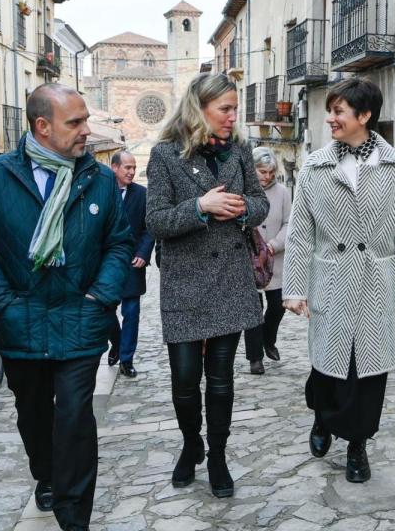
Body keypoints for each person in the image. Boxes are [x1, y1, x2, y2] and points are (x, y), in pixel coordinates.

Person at [0, 83, 133, 531]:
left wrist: (99, 297)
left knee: (75, 416)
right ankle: (46, 474)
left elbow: (118, 244)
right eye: (75, 122)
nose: (86, 131)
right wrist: (2, 302)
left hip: (81, 318)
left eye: (85, 120)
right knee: (33, 415)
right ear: (42, 126)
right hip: (21, 320)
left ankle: (75, 517)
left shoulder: (98, 179)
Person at [283, 78, 395, 484]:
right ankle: (322, 417)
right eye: (330, 111)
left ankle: (358, 445)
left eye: (338, 112)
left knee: (367, 374)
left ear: (364, 116)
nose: (330, 119)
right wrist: (294, 288)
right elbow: (300, 233)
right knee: (328, 369)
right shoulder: (315, 165)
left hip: (375, 283)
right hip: (329, 278)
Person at [145, 73, 269, 498]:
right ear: (200, 109)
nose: (233, 117)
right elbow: (156, 219)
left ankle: (217, 455)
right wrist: (200, 206)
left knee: (220, 380)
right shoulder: (164, 156)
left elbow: (260, 202)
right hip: (184, 283)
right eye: (226, 109)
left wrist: (240, 209)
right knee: (184, 380)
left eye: (234, 109)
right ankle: (190, 443)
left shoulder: (239, 151)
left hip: (230, 281)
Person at [242, 146, 291, 375]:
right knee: (253, 309)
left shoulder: (282, 192)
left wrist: (273, 245)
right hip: (248, 259)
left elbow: (289, 223)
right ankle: (255, 358)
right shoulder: (242, 190)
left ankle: (268, 339)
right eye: (262, 172)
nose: (267, 176)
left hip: (274, 259)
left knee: (277, 305)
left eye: (270, 172)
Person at [109, 150, 154, 378]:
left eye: (134, 167)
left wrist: (144, 253)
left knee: (132, 312)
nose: (132, 171)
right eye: (127, 167)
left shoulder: (142, 194)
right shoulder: (102, 192)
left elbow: (149, 228)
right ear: (114, 168)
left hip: (132, 264)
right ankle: (116, 343)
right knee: (105, 313)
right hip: (106, 266)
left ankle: (126, 359)